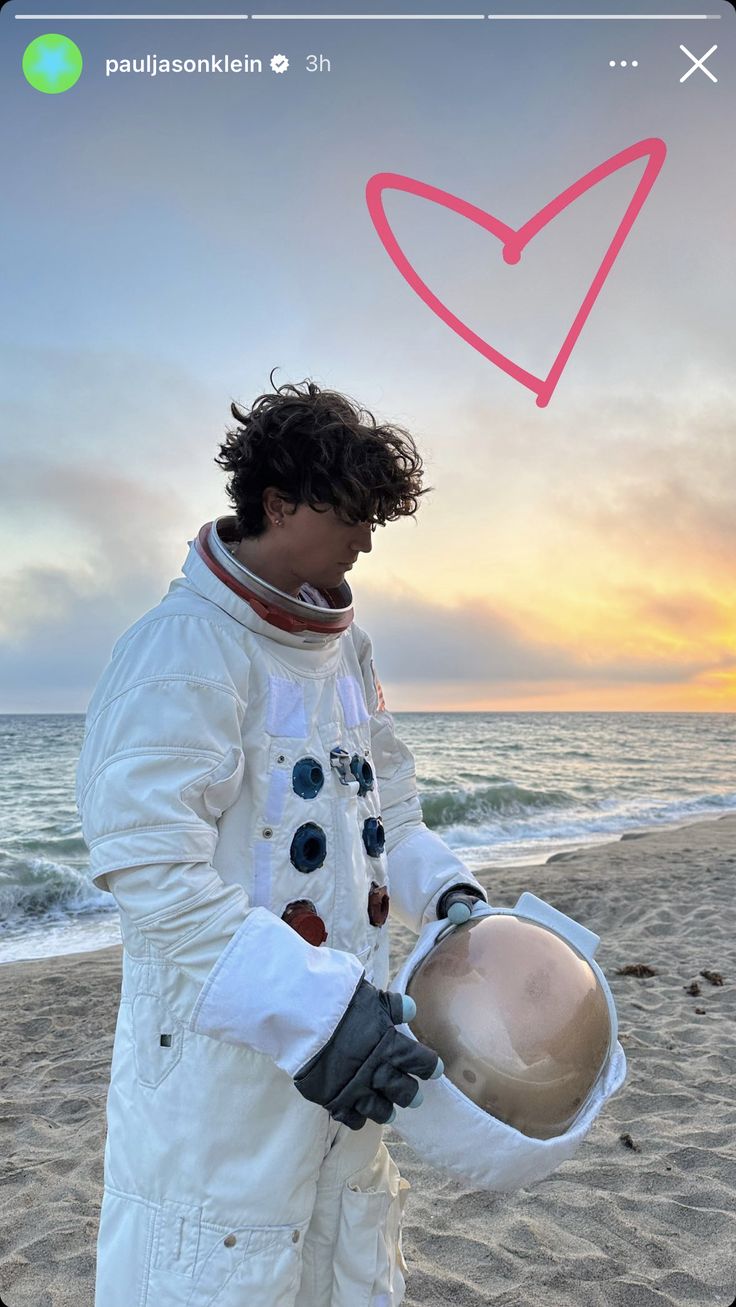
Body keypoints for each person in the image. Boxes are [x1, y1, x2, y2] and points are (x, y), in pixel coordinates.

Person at [75, 374, 487, 1307]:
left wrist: (450, 897)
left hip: (351, 1053)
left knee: (342, 1262)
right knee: (221, 1268)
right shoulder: (184, 647)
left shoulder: (348, 651)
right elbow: (150, 870)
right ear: (277, 501)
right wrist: (317, 1013)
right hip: (224, 1077)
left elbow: (394, 813)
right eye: (353, 512)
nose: (369, 539)